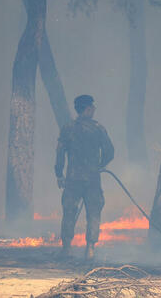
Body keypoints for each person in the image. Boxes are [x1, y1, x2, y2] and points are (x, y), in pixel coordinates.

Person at [55, 94, 114, 259]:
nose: (94, 110)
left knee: (69, 212)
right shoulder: (98, 128)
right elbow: (110, 152)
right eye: (92, 107)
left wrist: (59, 174)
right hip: (92, 179)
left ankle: (66, 249)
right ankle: (90, 249)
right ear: (87, 109)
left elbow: (59, 152)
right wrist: (100, 165)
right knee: (94, 213)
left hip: (73, 179)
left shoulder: (68, 128)